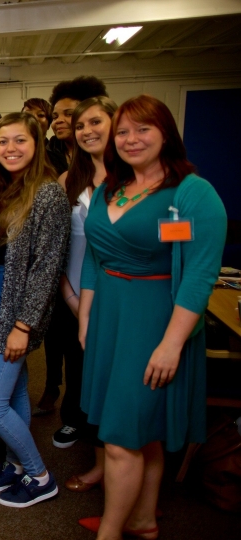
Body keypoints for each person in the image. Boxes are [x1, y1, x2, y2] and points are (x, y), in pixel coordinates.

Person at [77, 95, 226, 539]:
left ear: (166, 133)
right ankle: (142, 520)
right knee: (143, 429)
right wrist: (86, 317)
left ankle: (110, 532)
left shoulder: (192, 193)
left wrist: (172, 343)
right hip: (109, 315)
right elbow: (93, 257)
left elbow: (199, 277)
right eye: (122, 131)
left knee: (124, 435)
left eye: (143, 129)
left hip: (156, 320)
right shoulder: (111, 187)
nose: (130, 139)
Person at [0, 112, 70, 509]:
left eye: (20, 141)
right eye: (3, 142)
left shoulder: (47, 193)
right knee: (13, 393)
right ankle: (15, 466)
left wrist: (23, 325)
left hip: (15, 312)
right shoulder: (7, 188)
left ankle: (40, 475)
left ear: (37, 145)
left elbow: (47, 267)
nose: (10, 149)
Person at [52, 98, 118, 487]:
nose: (87, 131)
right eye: (80, 125)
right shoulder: (68, 181)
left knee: (116, 379)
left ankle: (120, 455)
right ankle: (90, 442)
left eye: (97, 122)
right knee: (82, 372)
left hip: (119, 295)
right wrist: (73, 299)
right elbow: (58, 248)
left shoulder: (133, 180)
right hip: (73, 292)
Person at [36, 75, 108, 417]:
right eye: (57, 116)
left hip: (115, 285)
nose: (61, 122)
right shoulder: (52, 161)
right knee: (65, 342)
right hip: (67, 278)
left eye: (71, 115)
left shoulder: (128, 177)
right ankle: (63, 399)